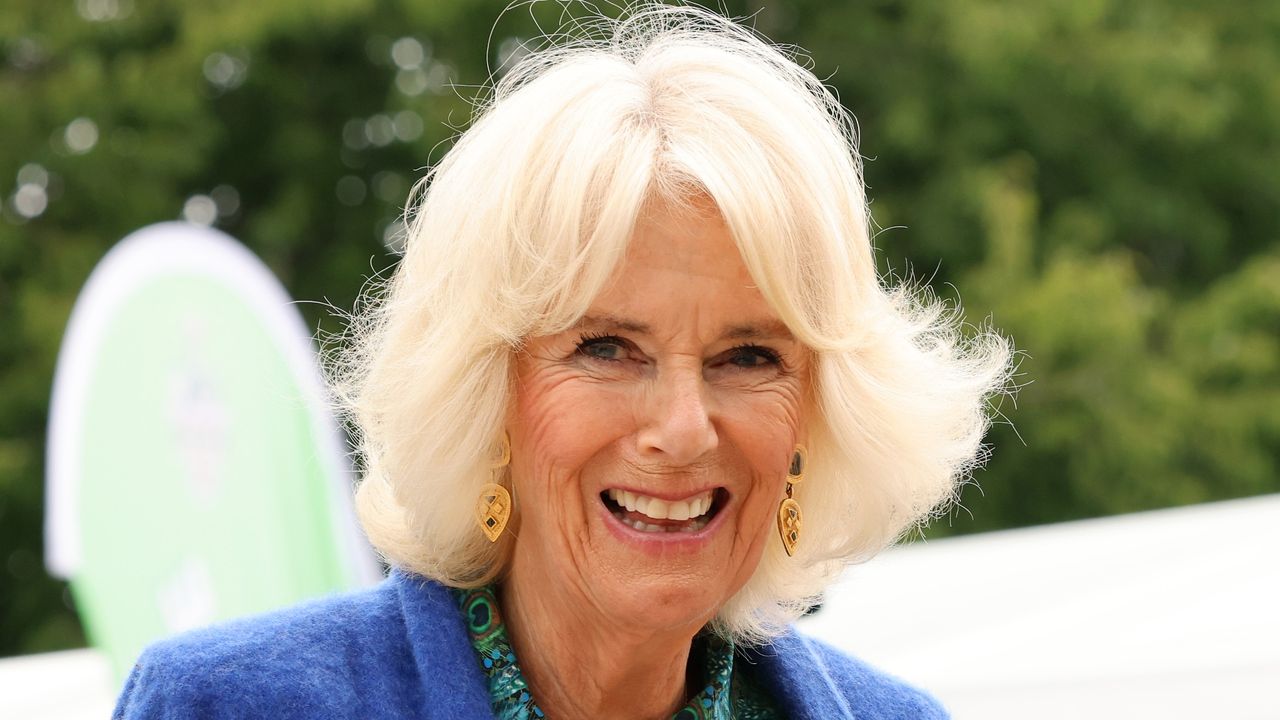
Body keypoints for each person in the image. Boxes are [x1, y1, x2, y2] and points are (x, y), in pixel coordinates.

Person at [114, 4, 1010, 718]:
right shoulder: (230, 706)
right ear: (485, 394)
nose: (683, 428)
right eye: (609, 348)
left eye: (747, 357)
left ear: (820, 412)